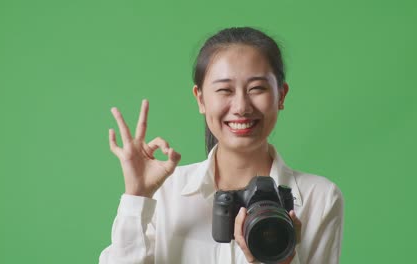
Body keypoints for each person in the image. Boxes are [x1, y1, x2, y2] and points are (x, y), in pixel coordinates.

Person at [99, 27, 344, 264]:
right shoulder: (165, 193)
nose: (241, 107)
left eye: (257, 88)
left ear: (281, 95)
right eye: (224, 90)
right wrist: (137, 197)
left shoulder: (319, 197)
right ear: (201, 98)